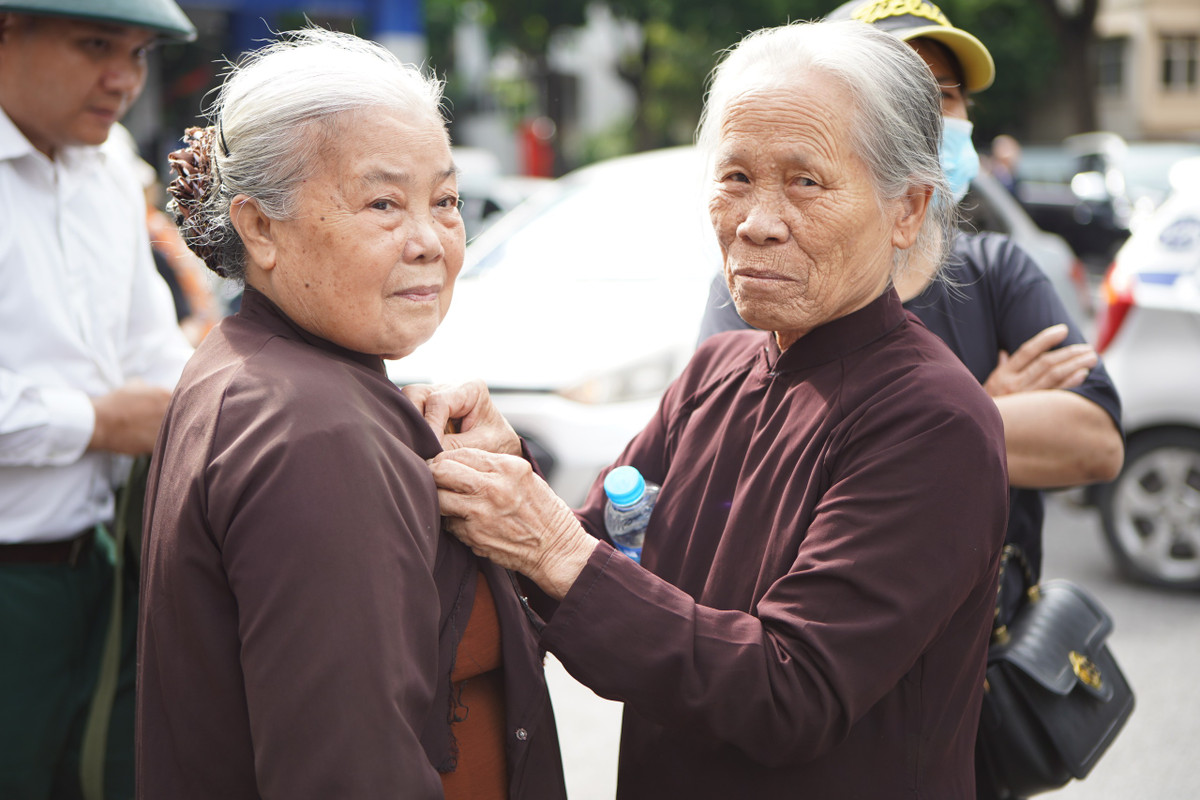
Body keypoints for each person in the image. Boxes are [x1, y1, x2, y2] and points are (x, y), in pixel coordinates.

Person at [414, 20, 1009, 797]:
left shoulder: (933, 419)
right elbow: (587, 565)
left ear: (907, 209)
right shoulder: (717, 371)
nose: (756, 221)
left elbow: (791, 691)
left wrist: (549, 542)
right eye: (735, 177)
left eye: (806, 182)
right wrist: (507, 471)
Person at [136, 29, 567, 800]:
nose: (429, 241)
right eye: (383, 204)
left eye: (445, 201)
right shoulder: (313, 427)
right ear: (260, 228)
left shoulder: (251, 368)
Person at [698, 0, 1124, 633]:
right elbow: (734, 464)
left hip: (988, 647)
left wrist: (939, 421)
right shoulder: (766, 282)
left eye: (945, 97)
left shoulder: (998, 270)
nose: (931, 118)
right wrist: (971, 410)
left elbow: (1094, 445)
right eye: (905, 93)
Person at [0, 2, 196, 798]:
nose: (123, 78)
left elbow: (153, 351)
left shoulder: (110, 164)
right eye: (94, 45)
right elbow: (125, 403)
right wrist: (96, 423)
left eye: (139, 53)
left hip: (104, 573)